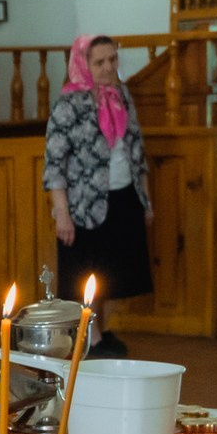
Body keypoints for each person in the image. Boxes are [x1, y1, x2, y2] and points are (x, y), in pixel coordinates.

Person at [44, 33, 152, 355]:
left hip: (122, 195)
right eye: (99, 62)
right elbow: (54, 163)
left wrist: (146, 201)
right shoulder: (68, 104)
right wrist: (61, 213)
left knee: (108, 274)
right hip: (84, 204)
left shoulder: (122, 95)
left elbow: (137, 150)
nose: (108, 67)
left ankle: (98, 331)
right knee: (84, 274)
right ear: (83, 64)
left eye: (112, 59)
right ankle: (89, 339)